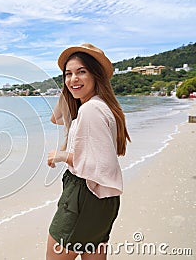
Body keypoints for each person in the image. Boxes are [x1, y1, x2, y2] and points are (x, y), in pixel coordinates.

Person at [46, 43, 131, 260]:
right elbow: (55, 118)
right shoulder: (101, 105)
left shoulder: (91, 110)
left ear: (96, 75)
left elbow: (99, 164)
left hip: (84, 195)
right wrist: (71, 86)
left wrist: (61, 155)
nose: (73, 78)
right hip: (102, 199)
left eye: (81, 72)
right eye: (68, 74)